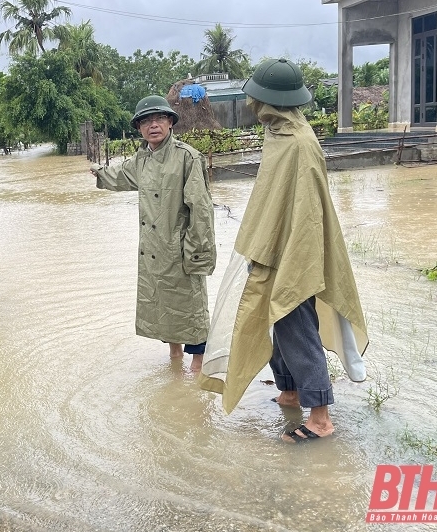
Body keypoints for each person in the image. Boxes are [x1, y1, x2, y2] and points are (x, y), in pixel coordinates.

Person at [198, 58, 369, 443]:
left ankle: (321, 416)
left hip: (296, 252)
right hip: (272, 248)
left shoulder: (300, 144)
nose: (249, 104)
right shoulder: (278, 135)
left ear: (268, 100)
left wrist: (296, 259)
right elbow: (274, 201)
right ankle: (290, 391)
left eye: (255, 97)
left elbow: (308, 211)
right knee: (271, 322)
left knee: (295, 325)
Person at [90, 95, 216, 371]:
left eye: (159, 118)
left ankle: (198, 366)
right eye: (146, 121)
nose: (153, 125)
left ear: (170, 122)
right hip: (152, 248)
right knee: (161, 304)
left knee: (191, 307)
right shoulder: (141, 160)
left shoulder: (187, 158)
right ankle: (174, 359)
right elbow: (120, 176)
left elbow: (201, 210)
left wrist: (197, 254)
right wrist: (98, 173)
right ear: (139, 128)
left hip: (181, 247)